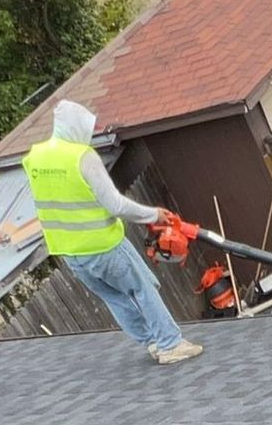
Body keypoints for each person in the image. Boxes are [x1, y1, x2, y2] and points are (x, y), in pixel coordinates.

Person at [22, 101, 204, 367]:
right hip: (103, 245)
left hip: (69, 253)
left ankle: (152, 342)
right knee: (143, 289)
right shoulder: (81, 157)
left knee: (115, 297)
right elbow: (115, 205)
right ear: (76, 126)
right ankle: (170, 344)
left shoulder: (34, 157)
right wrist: (154, 215)